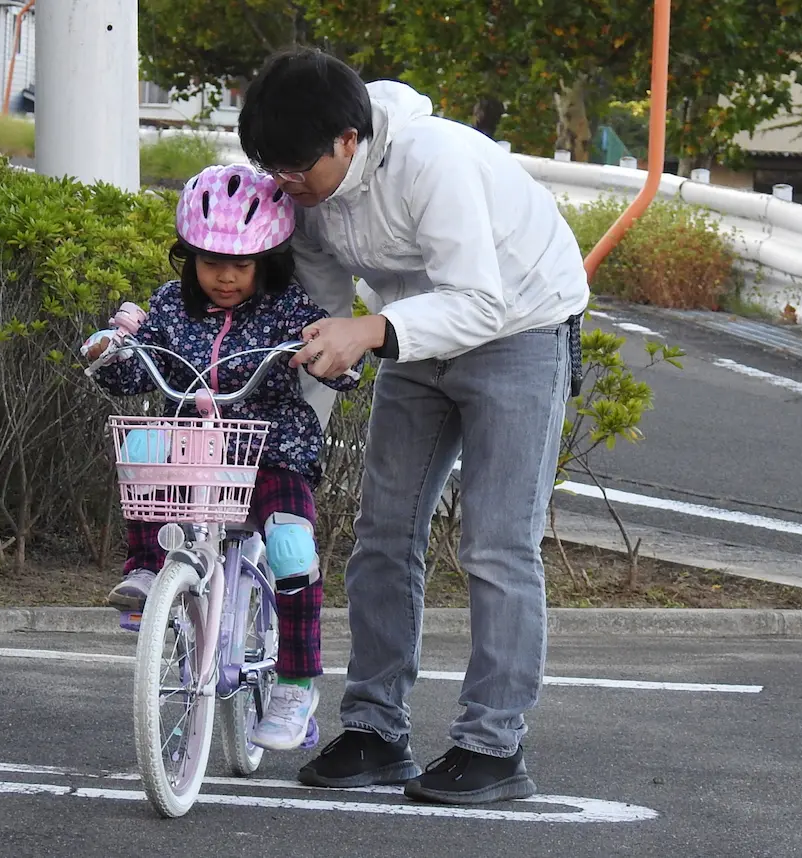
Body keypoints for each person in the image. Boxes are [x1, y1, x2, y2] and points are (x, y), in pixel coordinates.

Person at [237, 48, 591, 804]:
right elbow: (323, 321)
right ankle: (374, 731)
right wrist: (296, 441)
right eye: (271, 168)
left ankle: (493, 748)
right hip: (414, 335)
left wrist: (367, 332)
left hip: (519, 329)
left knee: (497, 544)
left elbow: (479, 300)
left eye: (296, 167)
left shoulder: (436, 160)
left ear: (347, 140)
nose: (285, 185)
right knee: (383, 535)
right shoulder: (302, 194)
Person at [81, 163, 361, 751]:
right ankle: (144, 569)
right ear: (188, 258)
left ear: (268, 261)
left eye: (240, 264)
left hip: (271, 446)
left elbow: (329, 352)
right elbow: (135, 368)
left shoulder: (288, 309)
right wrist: (112, 352)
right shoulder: (168, 307)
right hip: (194, 445)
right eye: (210, 263)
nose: (225, 277)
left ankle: (295, 683)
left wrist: (328, 358)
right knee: (143, 445)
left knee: (290, 544)